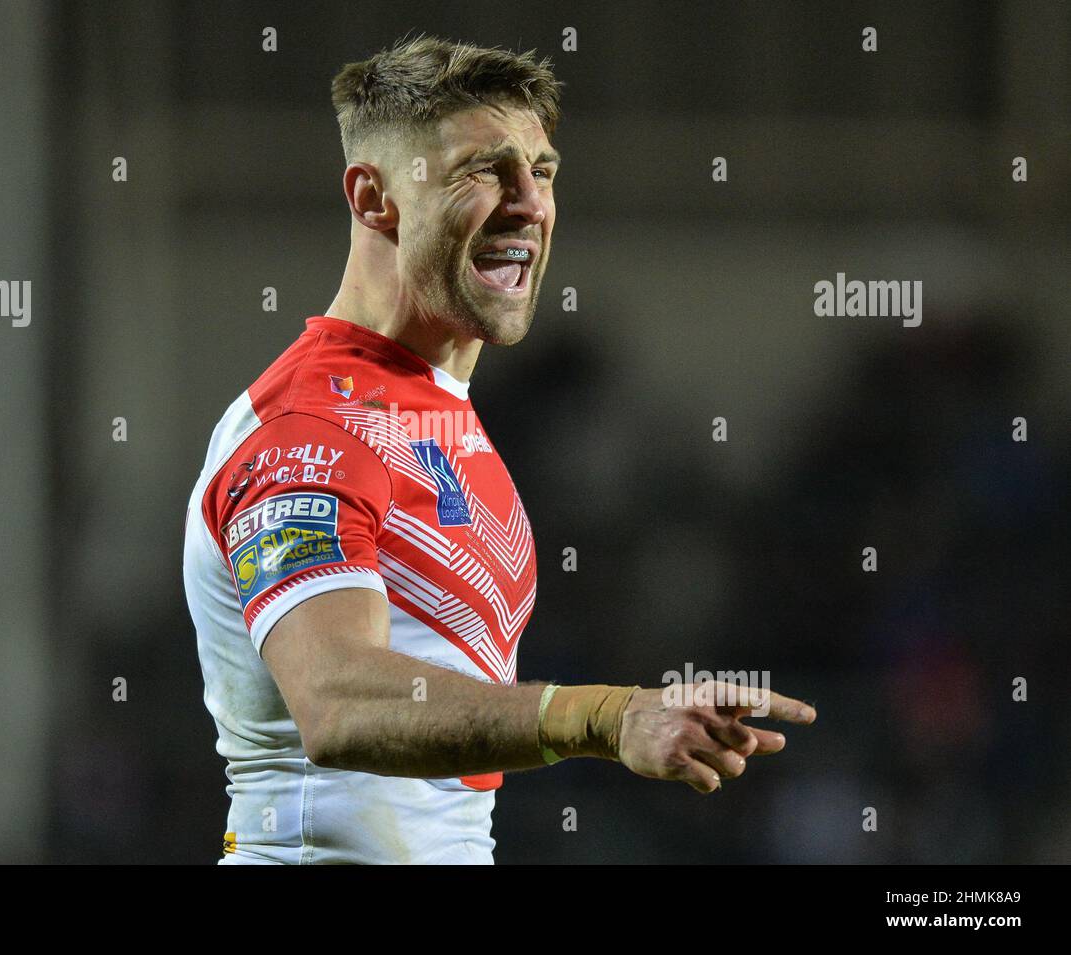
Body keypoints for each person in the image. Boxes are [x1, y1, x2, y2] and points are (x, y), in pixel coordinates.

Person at [182, 34, 816, 865]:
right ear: (376, 199)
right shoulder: (310, 428)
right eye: (481, 171)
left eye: (542, 171)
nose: (529, 204)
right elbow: (339, 703)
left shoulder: (435, 410)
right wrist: (605, 714)